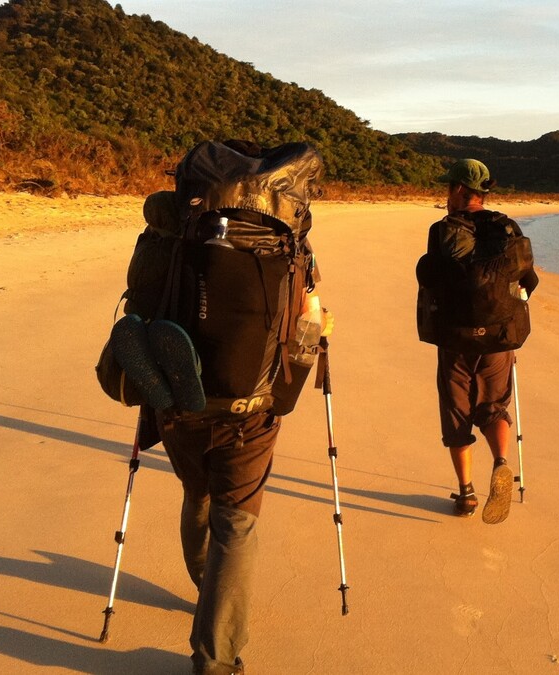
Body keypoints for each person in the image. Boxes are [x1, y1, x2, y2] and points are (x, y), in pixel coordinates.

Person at [142, 140, 329, 675]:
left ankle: (204, 581)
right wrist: (292, 383)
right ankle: (216, 659)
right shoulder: (292, 243)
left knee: (197, 489)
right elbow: (309, 323)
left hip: (179, 400)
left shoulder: (175, 230)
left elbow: (142, 299)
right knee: (237, 524)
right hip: (253, 403)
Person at [421, 159, 539, 523]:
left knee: (457, 412)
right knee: (493, 406)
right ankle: (501, 462)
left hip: (456, 339)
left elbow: (430, 278)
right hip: (500, 337)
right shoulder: (507, 227)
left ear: (459, 189)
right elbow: (529, 282)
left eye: (448, 188)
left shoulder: (443, 230)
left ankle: (466, 494)